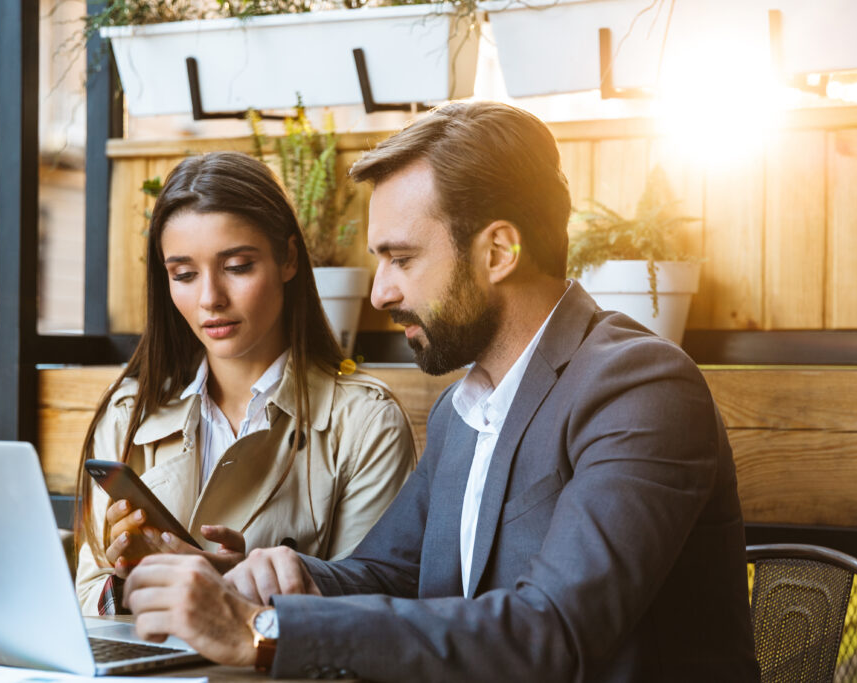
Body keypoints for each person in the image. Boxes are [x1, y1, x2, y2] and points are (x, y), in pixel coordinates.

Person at [119, 102, 760, 681]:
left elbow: (554, 635)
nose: (381, 292)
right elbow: (388, 574)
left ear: (499, 251)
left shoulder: (640, 388)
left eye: (402, 258)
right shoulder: (467, 407)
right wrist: (259, 577)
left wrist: (265, 632)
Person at [73, 152, 416, 616]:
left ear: (288, 258)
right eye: (185, 275)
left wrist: (234, 587)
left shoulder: (366, 422)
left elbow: (371, 612)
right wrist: (123, 584)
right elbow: (87, 599)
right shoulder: (129, 413)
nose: (210, 299)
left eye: (236, 266)